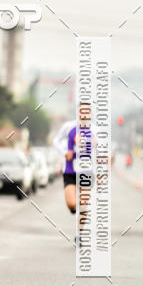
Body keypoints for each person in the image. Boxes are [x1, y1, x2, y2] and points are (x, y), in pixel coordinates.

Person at [52, 103, 94, 244]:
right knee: (72, 204)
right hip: (70, 170)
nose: (84, 115)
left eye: (87, 112)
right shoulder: (69, 127)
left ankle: (79, 234)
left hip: (87, 172)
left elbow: (102, 152)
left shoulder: (94, 131)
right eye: (82, 112)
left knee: (83, 205)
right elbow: (56, 140)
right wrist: (65, 153)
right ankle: (74, 210)